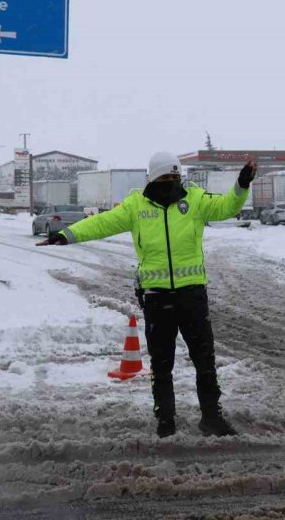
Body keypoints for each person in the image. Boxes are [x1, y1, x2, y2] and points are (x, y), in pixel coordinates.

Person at [38, 152, 257, 438]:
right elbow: (101, 223)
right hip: (157, 298)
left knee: (205, 362)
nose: (171, 182)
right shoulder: (136, 206)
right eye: (165, 177)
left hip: (192, 295)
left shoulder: (195, 201)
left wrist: (241, 184)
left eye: (174, 177)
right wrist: (67, 234)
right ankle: (166, 421)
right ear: (152, 178)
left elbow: (228, 206)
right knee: (162, 365)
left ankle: (211, 418)